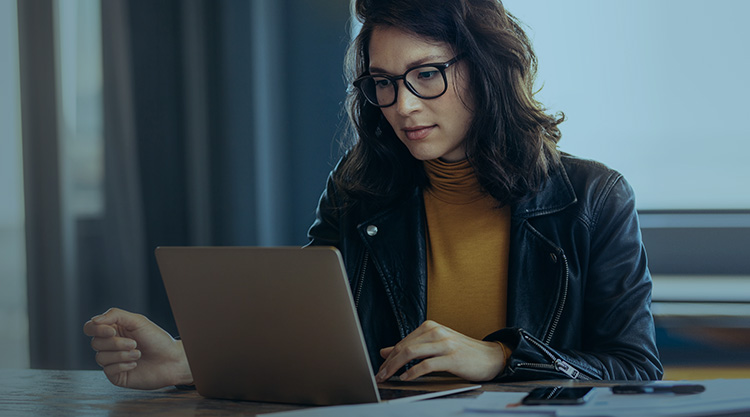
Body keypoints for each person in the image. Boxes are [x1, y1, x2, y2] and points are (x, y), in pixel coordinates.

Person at [84, 0, 663, 390]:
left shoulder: (592, 197)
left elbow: (636, 370)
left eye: (426, 74)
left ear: (487, 70)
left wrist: (502, 359)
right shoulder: (359, 188)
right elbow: (310, 338)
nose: (403, 105)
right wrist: (188, 360)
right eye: (382, 83)